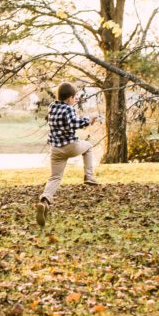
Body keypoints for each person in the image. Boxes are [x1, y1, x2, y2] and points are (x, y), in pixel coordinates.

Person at [36, 82, 99, 228]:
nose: (75, 99)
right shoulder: (69, 109)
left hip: (55, 150)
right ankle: (89, 176)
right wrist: (89, 120)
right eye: (74, 97)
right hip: (70, 146)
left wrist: (74, 109)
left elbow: (66, 116)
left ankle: (44, 200)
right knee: (88, 147)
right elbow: (74, 123)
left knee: (55, 177)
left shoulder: (53, 106)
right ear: (70, 98)